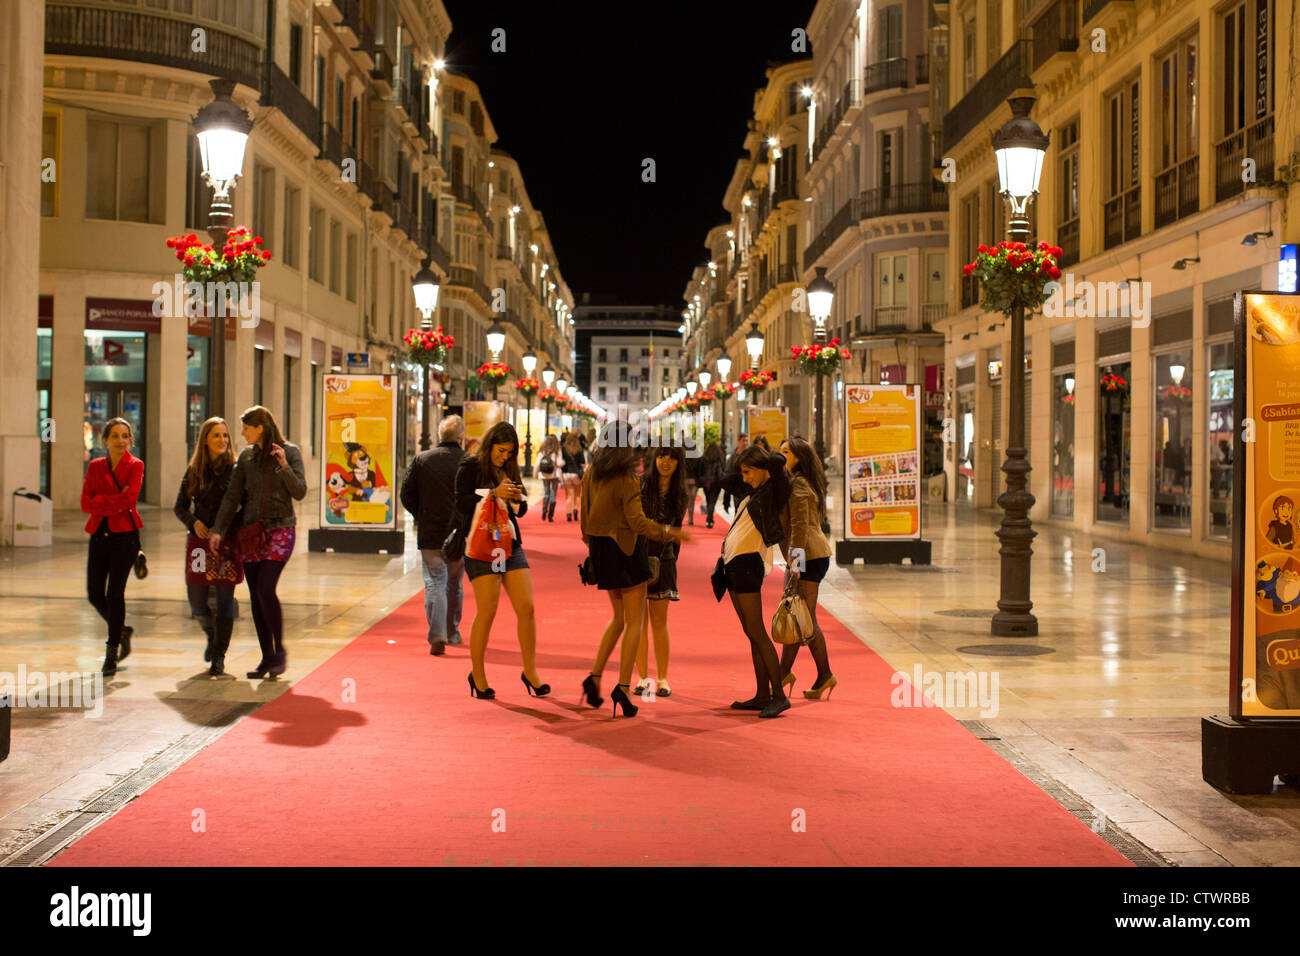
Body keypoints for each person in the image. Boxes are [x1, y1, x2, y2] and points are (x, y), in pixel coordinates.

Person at [580, 443, 690, 718]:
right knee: (634, 622)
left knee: (619, 619)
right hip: (627, 550)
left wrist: (594, 547)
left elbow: (584, 519)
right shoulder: (628, 478)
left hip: (600, 550)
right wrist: (670, 532)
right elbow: (638, 522)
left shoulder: (591, 472)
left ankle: (594, 677)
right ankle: (624, 687)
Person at [210, 406, 307, 680]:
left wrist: (284, 467)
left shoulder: (290, 452)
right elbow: (232, 497)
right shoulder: (246, 457)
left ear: (260, 427)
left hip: (281, 530)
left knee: (266, 588)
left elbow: (299, 491)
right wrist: (218, 529)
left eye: (246, 428)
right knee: (256, 595)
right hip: (251, 535)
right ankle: (267, 658)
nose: (241, 433)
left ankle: (279, 651)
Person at [455, 422, 547, 699]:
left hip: (509, 543)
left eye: (509, 452)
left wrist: (517, 498)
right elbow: (460, 502)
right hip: (482, 545)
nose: (504, 456)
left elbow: (519, 511)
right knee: (488, 610)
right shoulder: (470, 466)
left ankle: (530, 671)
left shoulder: (508, 468)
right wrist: (494, 494)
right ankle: (478, 675)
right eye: (501, 450)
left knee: (527, 607)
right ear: (490, 443)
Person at [715, 445, 792, 718]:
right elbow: (725, 479)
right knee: (752, 633)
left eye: (749, 471)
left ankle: (778, 696)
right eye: (743, 473)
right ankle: (762, 694)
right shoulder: (753, 490)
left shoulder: (773, 490)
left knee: (758, 632)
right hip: (735, 564)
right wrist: (743, 467)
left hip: (748, 564)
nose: (744, 477)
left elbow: (776, 466)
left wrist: (767, 463)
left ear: (762, 469)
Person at [174, 417, 239, 677]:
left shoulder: (235, 471)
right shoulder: (194, 471)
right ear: (205, 440)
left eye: (225, 435)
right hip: (199, 544)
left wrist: (223, 529)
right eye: (216, 436)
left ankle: (219, 656)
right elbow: (179, 506)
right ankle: (212, 636)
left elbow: (240, 507)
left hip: (226, 543)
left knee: (225, 600)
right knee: (197, 600)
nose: (222, 440)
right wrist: (194, 521)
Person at [400, 415, 468, 656]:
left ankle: (437, 634)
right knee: (454, 583)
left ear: (439, 436)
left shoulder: (422, 460)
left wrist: (421, 513)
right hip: (458, 534)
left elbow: (406, 494)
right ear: (462, 438)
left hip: (430, 531)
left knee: (434, 581)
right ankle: (452, 632)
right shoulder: (468, 462)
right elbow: (478, 496)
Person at [81, 418, 143, 677]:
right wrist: (113, 501)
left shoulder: (135, 465)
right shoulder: (95, 466)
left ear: (130, 439)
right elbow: (86, 502)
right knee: (95, 594)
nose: (120, 441)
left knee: (115, 594)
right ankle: (122, 631)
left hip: (125, 537)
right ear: (104, 440)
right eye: (115, 436)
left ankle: (112, 651)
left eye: (125, 436)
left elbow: (130, 499)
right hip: (99, 534)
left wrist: (102, 500)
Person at [776, 437, 836, 699]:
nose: (781, 456)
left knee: (802, 617)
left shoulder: (799, 484)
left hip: (808, 557)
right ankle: (819, 675)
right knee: (801, 616)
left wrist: (795, 564)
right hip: (809, 555)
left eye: (786, 452)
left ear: (799, 457)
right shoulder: (798, 481)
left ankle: (783, 677)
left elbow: (799, 526)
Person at [633, 444, 688, 697]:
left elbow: (677, 530)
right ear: (654, 459)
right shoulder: (641, 485)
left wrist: (672, 560)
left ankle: (663, 678)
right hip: (638, 555)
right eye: (662, 457)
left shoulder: (680, 493)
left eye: (672, 458)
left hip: (664, 558)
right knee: (638, 622)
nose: (666, 462)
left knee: (659, 621)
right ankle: (643, 678)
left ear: (679, 463)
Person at [698, 440, 725, 528]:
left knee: (709, 499)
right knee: (713, 501)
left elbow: (700, 470)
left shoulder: (704, 458)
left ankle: (709, 519)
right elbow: (723, 469)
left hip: (706, 482)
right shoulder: (719, 458)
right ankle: (709, 520)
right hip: (716, 482)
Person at [536, 434, 562, 521]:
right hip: (554, 474)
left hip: (545, 474)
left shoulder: (543, 450)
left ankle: (544, 511)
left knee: (546, 493)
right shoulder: (557, 450)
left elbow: (538, 463)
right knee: (553, 493)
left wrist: (535, 474)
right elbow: (559, 463)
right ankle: (550, 516)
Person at [722, 433, 749, 513]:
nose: (745, 443)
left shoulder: (749, 455)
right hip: (738, 488)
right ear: (738, 441)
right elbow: (727, 471)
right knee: (738, 509)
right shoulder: (733, 457)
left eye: (746, 441)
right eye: (743, 440)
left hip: (749, 486)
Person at [561, 430, 585, 521]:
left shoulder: (564, 448)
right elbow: (582, 462)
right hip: (576, 474)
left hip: (566, 473)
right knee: (577, 494)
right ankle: (575, 511)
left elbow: (562, 461)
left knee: (568, 495)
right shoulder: (579, 449)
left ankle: (568, 514)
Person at [682, 449, 699, 526]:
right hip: (694, 480)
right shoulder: (698, 458)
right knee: (692, 501)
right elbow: (700, 470)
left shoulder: (684, 457)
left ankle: (687, 518)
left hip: (686, 479)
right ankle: (691, 519)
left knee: (686, 500)